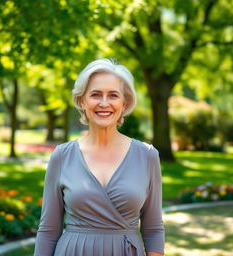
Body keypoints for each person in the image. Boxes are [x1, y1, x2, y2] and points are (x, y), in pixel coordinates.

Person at [34, 58, 165, 256]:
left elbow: (153, 229)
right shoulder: (61, 156)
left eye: (113, 95)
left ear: (125, 102)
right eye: (96, 94)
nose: (104, 103)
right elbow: (48, 231)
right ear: (82, 101)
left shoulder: (147, 156)